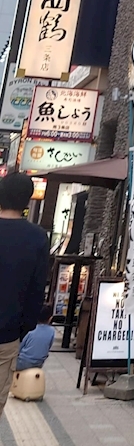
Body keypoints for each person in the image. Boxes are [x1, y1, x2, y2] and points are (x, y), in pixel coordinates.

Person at [0, 173, 50, 418]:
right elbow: (37, 290)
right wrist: (24, 327)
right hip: (7, 335)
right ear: (28, 201)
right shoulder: (37, 237)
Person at [16, 305, 56, 370]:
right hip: (39, 362)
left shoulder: (31, 329)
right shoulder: (52, 331)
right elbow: (49, 346)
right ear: (50, 318)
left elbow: (21, 346)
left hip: (23, 361)